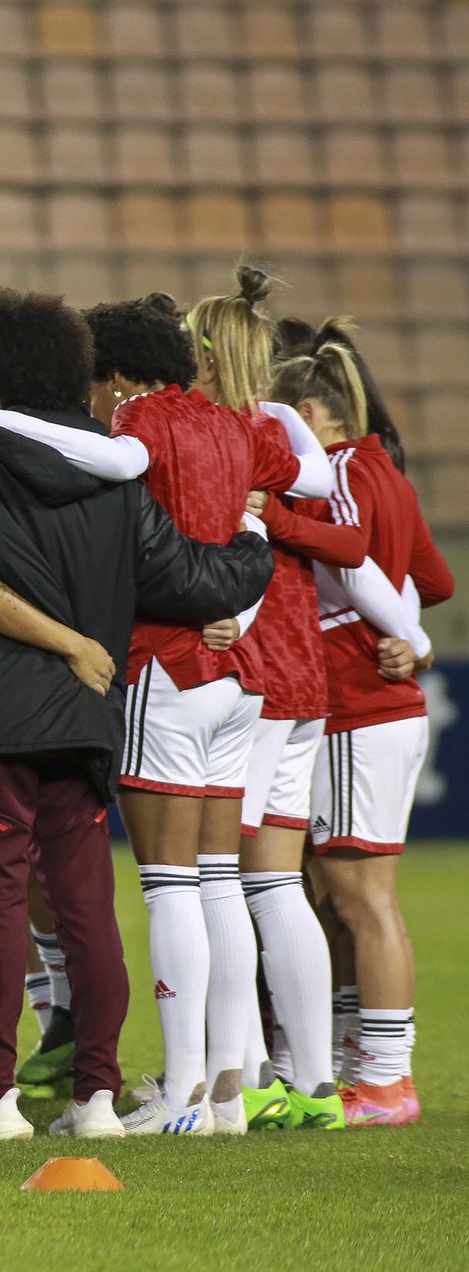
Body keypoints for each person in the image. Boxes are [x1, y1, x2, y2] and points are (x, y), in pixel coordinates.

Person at [0, 288, 273, 1141]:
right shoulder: (117, 477)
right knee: (87, 907)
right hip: (89, 715)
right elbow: (190, 579)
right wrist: (254, 539)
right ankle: (94, 1099)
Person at [99, 272, 334, 1135]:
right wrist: (245, 582)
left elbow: (118, 477)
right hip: (240, 681)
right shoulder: (242, 425)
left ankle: (186, 1093)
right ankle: (229, 1092)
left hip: (168, 664)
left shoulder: (143, 421)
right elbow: (302, 477)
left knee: (168, 887)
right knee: (224, 882)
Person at [269, 347, 453, 1125]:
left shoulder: (340, 477)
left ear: (307, 417)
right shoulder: (387, 475)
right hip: (373, 696)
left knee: (360, 894)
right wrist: (413, 633)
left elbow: (344, 550)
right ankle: (356, 1060)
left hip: (357, 702)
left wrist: (267, 515)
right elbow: (436, 580)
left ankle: (385, 1077)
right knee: (334, 894)